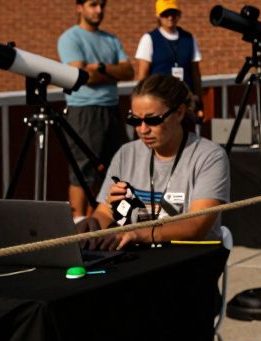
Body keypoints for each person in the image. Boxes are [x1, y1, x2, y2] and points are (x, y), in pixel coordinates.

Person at [81, 74, 229, 248]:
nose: (142, 129)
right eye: (135, 120)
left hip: (189, 259)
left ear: (179, 112)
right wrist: (92, 225)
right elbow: (105, 213)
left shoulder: (210, 156)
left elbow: (196, 226)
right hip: (136, 256)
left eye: (152, 120)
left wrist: (138, 234)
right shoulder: (126, 153)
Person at [58, 0, 135, 219]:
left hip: (111, 109)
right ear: (79, 8)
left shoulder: (111, 39)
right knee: (83, 171)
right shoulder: (70, 38)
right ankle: (78, 225)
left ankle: (99, 224)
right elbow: (82, 76)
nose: (99, 10)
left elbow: (129, 71)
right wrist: (109, 72)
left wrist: (99, 67)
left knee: (116, 169)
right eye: (93, 5)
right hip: (83, 111)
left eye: (102, 5)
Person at [133, 0, 203, 92]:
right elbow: (142, 75)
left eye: (173, 14)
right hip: (160, 98)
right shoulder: (149, 39)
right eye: (165, 14)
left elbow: (196, 74)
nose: (170, 17)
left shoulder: (189, 38)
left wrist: (199, 99)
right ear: (158, 15)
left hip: (184, 97)